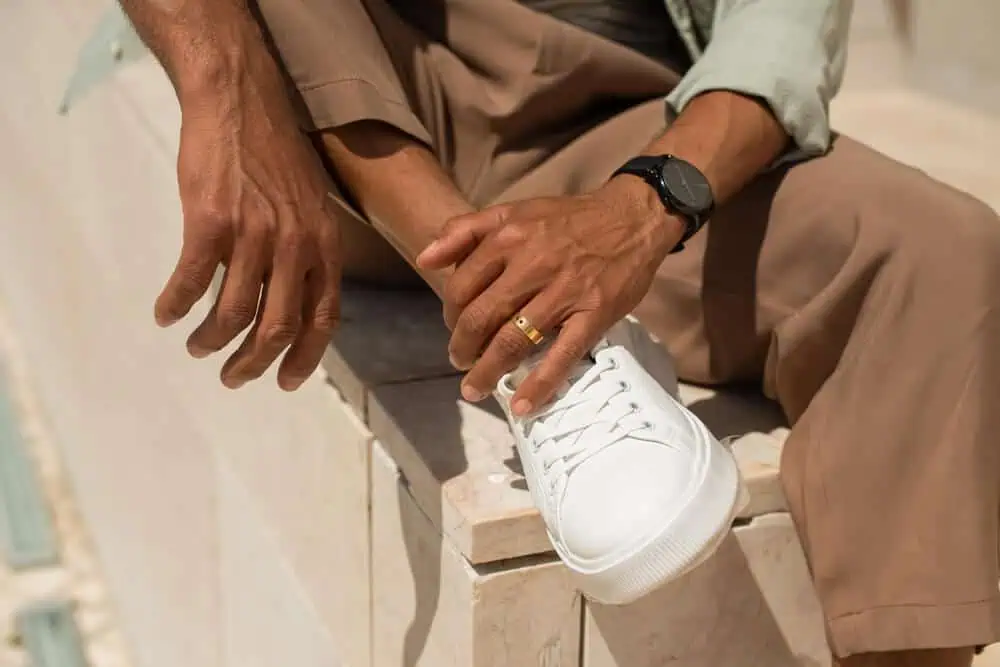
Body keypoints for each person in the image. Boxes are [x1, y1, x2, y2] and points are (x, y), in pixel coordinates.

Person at [120, 0, 1000, 665]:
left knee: (936, 252)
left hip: (624, 111)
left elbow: (782, 27)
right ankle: (521, 323)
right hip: (356, 118)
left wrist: (644, 205)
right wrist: (223, 81)